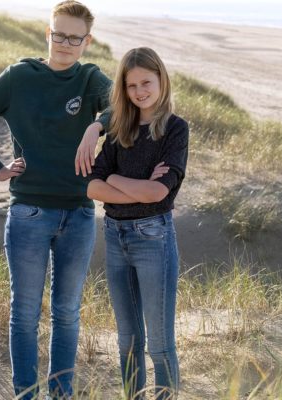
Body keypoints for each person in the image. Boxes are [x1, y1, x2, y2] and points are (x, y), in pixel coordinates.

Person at [0, 2, 111, 399]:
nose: (65, 43)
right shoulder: (19, 76)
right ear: (49, 32)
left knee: (67, 313)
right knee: (24, 314)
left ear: (86, 42)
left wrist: (96, 125)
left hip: (78, 213)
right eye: (59, 34)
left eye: (74, 38)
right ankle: (24, 393)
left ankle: (62, 394)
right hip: (29, 212)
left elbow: (121, 107)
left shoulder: (90, 78)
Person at [87, 47, 189, 399]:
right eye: (131, 86)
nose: (139, 91)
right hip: (115, 237)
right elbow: (91, 186)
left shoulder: (175, 129)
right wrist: (137, 187)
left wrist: (114, 179)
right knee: (128, 341)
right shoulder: (119, 129)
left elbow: (159, 192)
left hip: (154, 239)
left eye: (146, 82)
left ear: (161, 78)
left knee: (159, 343)